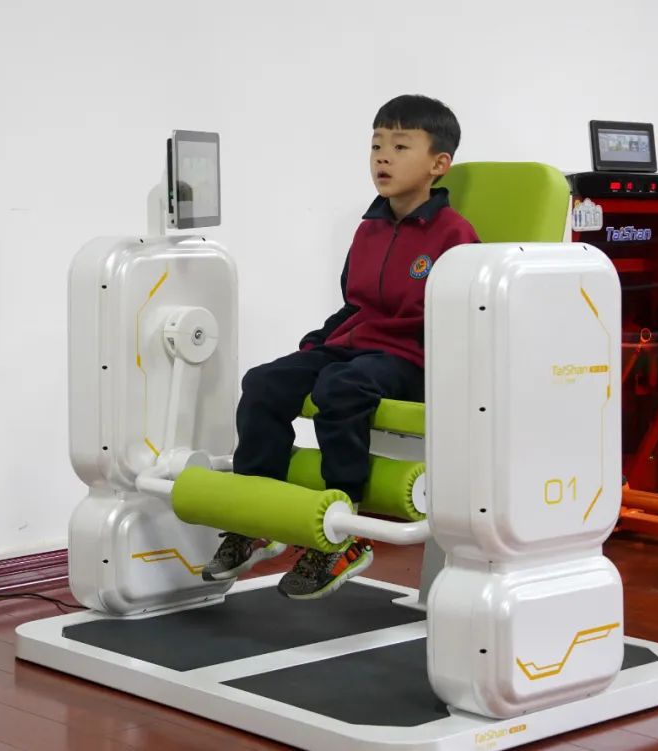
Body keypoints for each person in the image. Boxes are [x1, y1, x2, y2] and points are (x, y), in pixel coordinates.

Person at [201, 94, 480, 599]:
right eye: (376, 146)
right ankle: (256, 522)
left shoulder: (455, 236)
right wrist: (316, 344)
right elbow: (355, 305)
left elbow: (461, 318)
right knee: (264, 383)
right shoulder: (369, 228)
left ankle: (343, 532)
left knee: (340, 387)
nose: (383, 157)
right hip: (355, 346)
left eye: (400, 146)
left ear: (439, 164)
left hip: (411, 357)